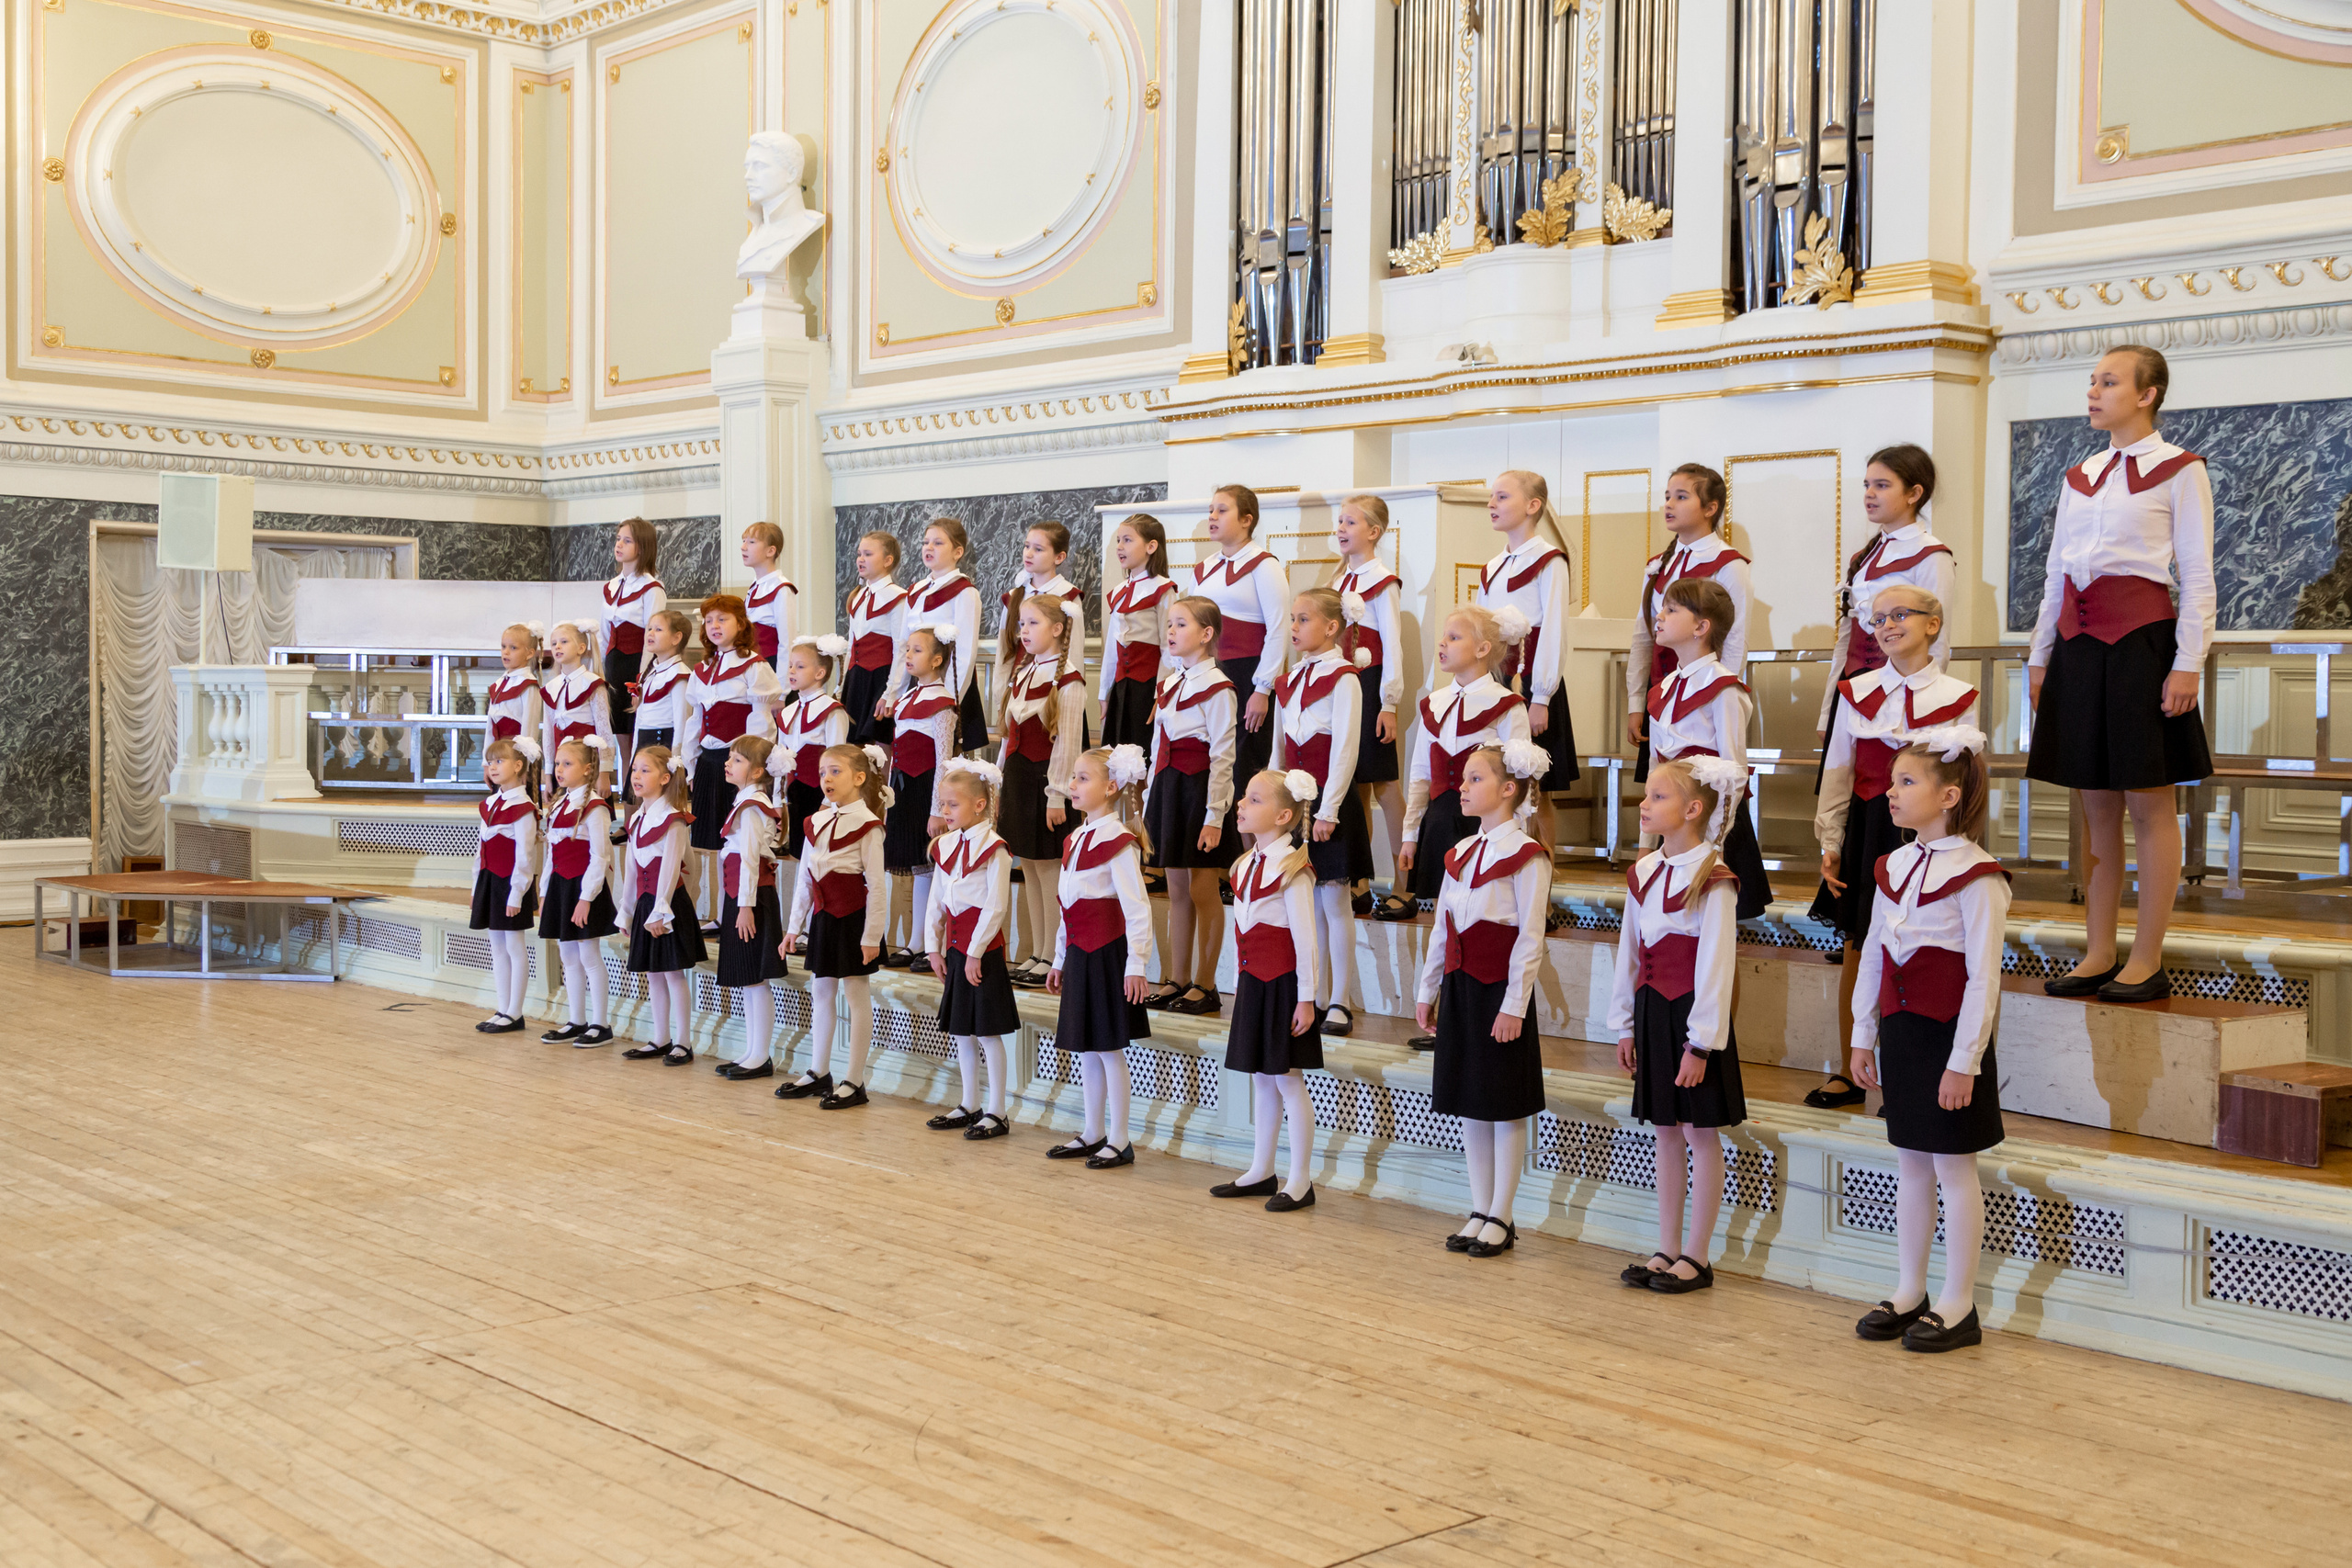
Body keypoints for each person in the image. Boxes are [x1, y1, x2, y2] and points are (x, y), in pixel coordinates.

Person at [2027, 344, 2215, 1004]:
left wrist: (2188, 663)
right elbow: (2055, 571)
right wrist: (2040, 654)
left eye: (2108, 382)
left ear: (2147, 393)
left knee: (2148, 801)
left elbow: (2198, 576)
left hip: (2142, 646)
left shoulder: (2180, 470)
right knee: (2094, 803)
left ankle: (2147, 957)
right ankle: (2099, 950)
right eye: (2092, 381)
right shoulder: (2079, 475)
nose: (2093, 391)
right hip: (2078, 647)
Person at [1849, 728, 2011, 1352]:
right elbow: (1874, 954)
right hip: (1902, 1031)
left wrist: (1965, 1061)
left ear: (1948, 796)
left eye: (1906, 782)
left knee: (1953, 1166)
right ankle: (1909, 1289)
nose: (1890, 792)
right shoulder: (1892, 866)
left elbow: (1984, 978)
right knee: (1911, 1161)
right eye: (1892, 781)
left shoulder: (1979, 876)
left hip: (1949, 1039)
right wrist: (1863, 1034)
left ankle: (1959, 1302)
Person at [1805, 585, 1977, 1108]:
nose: (1887, 625)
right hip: (1869, 827)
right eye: (1878, 619)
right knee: (1860, 945)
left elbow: (1966, 782)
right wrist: (1832, 839)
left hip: (1933, 833)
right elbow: (1838, 772)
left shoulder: (1959, 695)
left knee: (1927, 948)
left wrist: (1961, 847)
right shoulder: (1855, 691)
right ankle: (1850, 1067)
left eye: (1900, 615)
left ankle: (1917, 1072)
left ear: (1933, 624)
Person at [1610, 756, 1749, 1294]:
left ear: (1692, 809)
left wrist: (1701, 1045)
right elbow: (1629, 952)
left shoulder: (1714, 879)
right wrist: (1625, 1024)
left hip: (1693, 1019)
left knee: (1699, 1132)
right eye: (1646, 795)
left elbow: (1716, 966)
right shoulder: (1644, 872)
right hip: (1651, 1011)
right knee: (1665, 1131)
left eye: (1658, 796)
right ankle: (1666, 1246)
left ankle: (1698, 1254)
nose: (1644, 804)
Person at [1415, 741, 1554, 1259]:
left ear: (1509, 789)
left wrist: (1515, 1004)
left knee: (1502, 1101)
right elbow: (1442, 928)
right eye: (1464, 778)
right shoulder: (1459, 853)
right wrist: (1427, 989)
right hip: (1460, 987)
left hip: (1499, 991)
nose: (1463, 787)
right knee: (1470, 1101)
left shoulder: (1527, 855)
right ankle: (1479, 1208)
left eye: (1475, 779)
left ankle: (1503, 1213)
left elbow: (1531, 937)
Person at [1209, 768, 1325, 1213]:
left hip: (1284, 987)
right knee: (1261, 1077)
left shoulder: (1293, 868)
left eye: (1254, 800)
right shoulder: (1244, 865)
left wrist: (1307, 998)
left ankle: (1300, 1180)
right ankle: (1262, 1169)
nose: (1241, 804)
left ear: (1283, 816)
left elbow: (1306, 940)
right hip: (1253, 984)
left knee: (1288, 1080)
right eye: (1243, 797)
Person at [1045, 746, 1158, 1169]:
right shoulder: (1075, 839)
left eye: (1082, 778)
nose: (1072, 785)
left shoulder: (1119, 842)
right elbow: (1067, 907)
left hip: (1109, 955)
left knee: (1109, 1049)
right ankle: (1093, 1131)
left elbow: (1137, 909)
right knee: (1087, 1049)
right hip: (1079, 954)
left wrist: (1137, 965)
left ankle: (1120, 1139)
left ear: (1111, 787)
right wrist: (1059, 959)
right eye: (1073, 777)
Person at [1272, 588, 1374, 1036]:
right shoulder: (1289, 679)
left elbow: (1345, 750)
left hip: (1330, 804)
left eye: (1303, 619)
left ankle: (1340, 1001)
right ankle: (1310, 994)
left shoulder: (1344, 678)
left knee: (1334, 901)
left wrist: (1328, 809)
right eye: (1292, 619)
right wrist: (1272, 800)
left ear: (1332, 627)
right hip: (1292, 808)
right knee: (1305, 902)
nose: (1294, 627)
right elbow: (1279, 749)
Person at [1643, 578, 1769, 919]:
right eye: (1662, 608)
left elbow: (1733, 773)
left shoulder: (1724, 689)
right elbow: (1655, 773)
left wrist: (1712, 845)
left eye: (1671, 610)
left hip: (1714, 827)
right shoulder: (1662, 691)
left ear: (1701, 627)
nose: (1659, 616)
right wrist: (1645, 844)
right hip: (1672, 826)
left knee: (1717, 925)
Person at [777, 745, 893, 1108]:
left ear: (859, 778)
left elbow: (877, 887)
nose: (826, 778)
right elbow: (805, 879)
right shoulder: (816, 821)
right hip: (824, 919)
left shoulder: (869, 826)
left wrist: (872, 936)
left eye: (835, 771)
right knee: (821, 991)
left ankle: (854, 1080)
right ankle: (819, 1072)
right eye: (822, 772)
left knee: (856, 996)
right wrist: (793, 927)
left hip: (854, 920)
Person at [1815, 446, 1954, 740]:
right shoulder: (1863, 558)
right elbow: (1846, 641)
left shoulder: (1931, 556)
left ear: (1914, 493)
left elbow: (1938, 642)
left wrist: (1922, 707)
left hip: (1900, 692)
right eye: (1867, 485)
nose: (1869, 494)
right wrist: (1828, 712)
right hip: (1852, 687)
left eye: (1882, 485)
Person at [1396, 604, 1530, 906]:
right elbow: (1420, 775)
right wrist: (1410, 835)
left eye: (1454, 637)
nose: (1442, 643)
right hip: (1440, 823)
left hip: (1486, 826)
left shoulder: (1506, 705)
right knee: (1442, 911)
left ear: (1482, 649)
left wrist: (1517, 836)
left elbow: (1522, 779)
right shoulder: (1434, 704)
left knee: (1484, 907)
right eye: (1444, 636)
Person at [1142, 596, 1237, 1016]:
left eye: (1181, 624)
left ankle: (1207, 983)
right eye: (1169, 624)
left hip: (1198, 791)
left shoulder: (1218, 687)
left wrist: (1215, 816)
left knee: (1202, 887)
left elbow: (1223, 755)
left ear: (1206, 634)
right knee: (1176, 888)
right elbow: (1157, 747)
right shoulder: (1169, 684)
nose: (1171, 631)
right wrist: (1149, 803)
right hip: (1168, 789)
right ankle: (1177, 977)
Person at [1190, 485, 1293, 852]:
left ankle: (1254, 856)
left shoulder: (1264, 565)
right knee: (1212, 763)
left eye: (1222, 510)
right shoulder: (1203, 569)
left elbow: (1278, 630)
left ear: (1247, 520)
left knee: (1244, 766)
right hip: (1208, 676)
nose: (1212, 517)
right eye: (1211, 509)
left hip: (1247, 677)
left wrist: (1263, 689)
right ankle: (1221, 857)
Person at [1627, 466, 1749, 773]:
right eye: (1667, 496)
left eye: (1681, 497)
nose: (1669, 504)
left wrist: (1717, 695)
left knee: (1701, 780)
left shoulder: (1729, 564)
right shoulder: (1658, 565)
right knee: (1662, 781)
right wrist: (1635, 701)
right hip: (1662, 691)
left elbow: (1735, 638)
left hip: (1703, 696)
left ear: (1710, 508)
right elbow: (1643, 636)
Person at [924, 759, 1021, 1141]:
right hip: (954, 949)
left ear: (979, 805)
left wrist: (976, 952)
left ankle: (997, 1111)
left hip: (983, 952)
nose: (945, 811)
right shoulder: (945, 846)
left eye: (953, 804)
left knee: (987, 1032)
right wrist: (933, 948)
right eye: (943, 804)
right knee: (962, 1031)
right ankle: (970, 1103)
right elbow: (937, 900)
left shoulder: (995, 848)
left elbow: (996, 906)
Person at [996, 597, 1088, 986]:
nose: (1024, 631)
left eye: (1033, 623)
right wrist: (997, 781)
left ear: (1057, 629)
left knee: (1049, 870)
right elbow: (1007, 736)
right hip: (1018, 779)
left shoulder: (1069, 680)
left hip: (1047, 783)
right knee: (1029, 867)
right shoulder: (1023, 671)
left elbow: (1068, 744)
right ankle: (1036, 950)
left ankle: (1053, 955)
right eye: (1021, 624)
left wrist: (1057, 795)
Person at [681, 596, 786, 931]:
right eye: (709, 620)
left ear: (740, 624)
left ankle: (741, 907)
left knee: (741, 839)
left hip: (739, 763)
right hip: (710, 761)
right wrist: (691, 765)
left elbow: (761, 722)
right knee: (716, 842)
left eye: (722, 619)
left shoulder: (754, 666)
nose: (714, 626)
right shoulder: (702, 670)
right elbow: (695, 720)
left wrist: (752, 767)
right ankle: (721, 912)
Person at [1476, 471, 1578, 796]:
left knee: (1534, 788)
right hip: (1495, 682)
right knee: (1496, 779)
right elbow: (1479, 630)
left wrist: (1541, 698)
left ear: (1533, 505)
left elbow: (1553, 631)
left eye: (1502, 497)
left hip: (1531, 681)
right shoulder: (1492, 567)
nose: (1491, 504)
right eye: (1492, 496)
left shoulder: (1550, 561)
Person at [1333, 495, 1408, 915]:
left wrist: (1389, 704)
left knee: (1384, 783)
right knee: (1354, 784)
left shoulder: (1383, 582)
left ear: (1374, 532)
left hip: (1373, 684)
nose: (1341, 528)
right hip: (1346, 687)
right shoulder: (1339, 579)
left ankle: (1404, 882)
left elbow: (1392, 645)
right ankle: (1359, 880)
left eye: (1350, 522)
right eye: (1340, 521)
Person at [618, 746, 706, 1066]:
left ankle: (683, 1042)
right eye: (635, 769)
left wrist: (661, 911)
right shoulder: (637, 818)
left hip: (666, 904)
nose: (636, 776)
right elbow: (631, 870)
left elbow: (673, 869)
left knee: (672, 973)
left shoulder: (674, 820)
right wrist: (627, 910)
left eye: (645, 770)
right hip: (646, 903)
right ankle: (660, 1037)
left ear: (665, 778)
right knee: (654, 973)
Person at [883, 625, 964, 966]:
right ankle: (917, 942)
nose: (908, 655)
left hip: (926, 790)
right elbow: (896, 754)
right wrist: (888, 799)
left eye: (917, 650)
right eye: (907, 649)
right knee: (918, 869)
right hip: (903, 791)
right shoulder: (905, 699)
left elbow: (943, 760)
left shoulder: (942, 704)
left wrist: (938, 809)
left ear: (937, 659)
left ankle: (932, 944)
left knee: (929, 868)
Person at [712, 736, 791, 1081]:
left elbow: (749, 859)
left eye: (737, 760)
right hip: (742, 897)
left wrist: (745, 906)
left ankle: (761, 1056)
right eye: (729, 758)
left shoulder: (753, 805)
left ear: (758, 771)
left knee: (756, 979)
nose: (728, 763)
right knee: (748, 979)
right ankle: (751, 1051)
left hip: (753, 899)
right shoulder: (744, 801)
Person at [537, 735, 619, 1047]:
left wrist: (586, 898)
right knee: (568, 955)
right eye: (557, 763)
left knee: (589, 955)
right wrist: (544, 891)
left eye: (567, 764)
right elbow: (552, 854)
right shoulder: (559, 805)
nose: (559, 769)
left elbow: (600, 857)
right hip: (561, 887)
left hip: (584, 889)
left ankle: (601, 1024)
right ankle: (577, 1020)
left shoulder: (595, 807)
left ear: (587, 769)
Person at [890, 519, 986, 752]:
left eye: (938, 543)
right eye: (926, 542)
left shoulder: (965, 592)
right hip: (918, 683)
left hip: (947, 683)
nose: (929, 548)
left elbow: (965, 651)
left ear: (957, 552)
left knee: (947, 754)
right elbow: (903, 645)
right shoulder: (916, 590)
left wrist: (948, 701)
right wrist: (895, 692)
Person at [775, 635, 852, 928]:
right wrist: (778, 800)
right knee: (801, 858)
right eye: (790, 666)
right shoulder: (788, 712)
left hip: (820, 799)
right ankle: (801, 924)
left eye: (800, 666)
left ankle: (817, 925)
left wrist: (828, 802)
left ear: (820, 673)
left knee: (821, 861)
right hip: (796, 794)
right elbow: (781, 759)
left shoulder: (832, 711)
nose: (792, 671)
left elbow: (838, 761)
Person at [470, 736, 541, 1034]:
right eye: (490, 762)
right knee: (497, 946)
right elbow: (481, 851)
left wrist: (517, 894)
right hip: (490, 881)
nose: (493, 767)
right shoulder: (490, 804)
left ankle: (515, 1012)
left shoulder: (523, 807)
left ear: (518, 765)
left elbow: (526, 855)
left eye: (500, 761)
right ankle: (502, 1008)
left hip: (511, 884)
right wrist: (476, 888)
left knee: (514, 946)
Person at [1101, 514, 1176, 751]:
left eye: (1128, 540)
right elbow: (1112, 648)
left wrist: (1161, 693)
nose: (1120, 546)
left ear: (1151, 546)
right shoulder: (1119, 592)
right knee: (1116, 753)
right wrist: (1104, 692)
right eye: (1118, 540)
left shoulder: (1163, 590)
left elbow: (1169, 647)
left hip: (1148, 689)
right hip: (1121, 688)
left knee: (1143, 751)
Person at [599, 518, 666, 767]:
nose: (619, 545)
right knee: (621, 739)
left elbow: (653, 638)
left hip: (637, 666)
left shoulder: (652, 588)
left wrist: (642, 680)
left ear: (642, 547)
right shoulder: (611, 587)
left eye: (627, 541)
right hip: (614, 666)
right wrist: (601, 672)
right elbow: (604, 634)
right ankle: (626, 790)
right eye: (618, 539)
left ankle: (637, 788)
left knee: (638, 739)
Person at [843, 531, 911, 746]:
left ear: (887, 560)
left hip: (880, 680)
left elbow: (901, 648)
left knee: (881, 746)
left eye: (868, 554)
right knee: (854, 747)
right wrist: (843, 684)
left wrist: (891, 693)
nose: (860, 559)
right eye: (859, 554)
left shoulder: (898, 597)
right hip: (857, 679)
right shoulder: (857, 597)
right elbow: (851, 646)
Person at [740, 522, 798, 672]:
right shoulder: (755, 587)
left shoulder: (781, 589)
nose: (743, 547)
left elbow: (787, 643)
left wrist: (783, 684)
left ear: (771, 551)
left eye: (751, 542)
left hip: (770, 667)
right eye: (744, 541)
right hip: (751, 667)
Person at [485, 623, 545, 751]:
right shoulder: (499, 684)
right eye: (503, 646)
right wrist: (486, 759)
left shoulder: (528, 685)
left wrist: (524, 759)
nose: (506, 652)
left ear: (529, 653)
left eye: (513, 648)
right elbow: (490, 729)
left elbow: (529, 729)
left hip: (515, 755)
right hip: (497, 755)